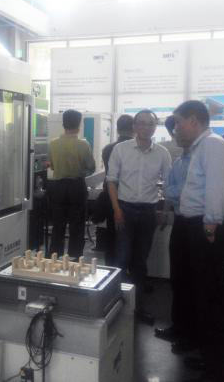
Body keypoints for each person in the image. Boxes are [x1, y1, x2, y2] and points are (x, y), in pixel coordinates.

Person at [173, 100, 224, 382]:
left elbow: (216, 187)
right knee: (203, 294)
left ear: (193, 120)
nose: (176, 128)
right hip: (200, 225)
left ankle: (218, 367)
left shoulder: (213, 145)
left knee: (212, 297)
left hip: (208, 227)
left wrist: (210, 225)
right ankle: (209, 354)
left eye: (178, 122)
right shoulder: (201, 146)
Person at [106, 109, 171, 325]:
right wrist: (116, 210)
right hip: (124, 209)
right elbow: (111, 180)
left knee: (140, 262)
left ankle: (136, 307)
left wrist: (164, 210)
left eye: (150, 124)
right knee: (121, 258)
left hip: (148, 212)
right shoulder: (121, 149)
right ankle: (115, 304)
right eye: (141, 123)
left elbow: (168, 185)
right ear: (134, 126)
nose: (146, 127)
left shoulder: (162, 153)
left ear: (155, 127)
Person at [155, 116, 196, 352]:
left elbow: (183, 190)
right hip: (181, 221)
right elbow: (170, 190)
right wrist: (165, 211)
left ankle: (192, 335)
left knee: (193, 281)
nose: (175, 134)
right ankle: (178, 327)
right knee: (178, 278)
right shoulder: (179, 162)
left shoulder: (201, 159)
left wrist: (174, 193)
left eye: (178, 129)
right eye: (173, 130)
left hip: (196, 223)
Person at [48, 109, 95, 258]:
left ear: (63, 124)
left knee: (58, 225)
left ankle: (54, 259)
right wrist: (80, 172)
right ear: (79, 125)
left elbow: (52, 166)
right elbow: (91, 167)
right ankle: (74, 260)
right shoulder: (83, 144)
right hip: (77, 187)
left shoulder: (53, 143)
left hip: (58, 187)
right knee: (77, 226)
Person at [99, 114, 134, 265]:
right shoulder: (134, 148)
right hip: (128, 196)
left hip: (109, 194)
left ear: (117, 129)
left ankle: (110, 267)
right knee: (129, 234)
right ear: (133, 129)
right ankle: (126, 268)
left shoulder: (107, 148)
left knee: (112, 232)